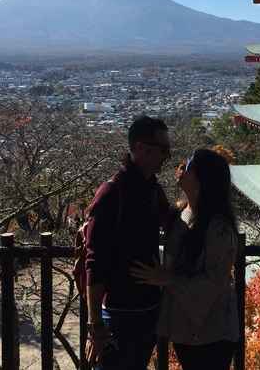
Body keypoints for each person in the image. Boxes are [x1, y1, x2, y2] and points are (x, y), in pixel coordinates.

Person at [131, 148, 240, 370]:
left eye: (188, 165)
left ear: (202, 179)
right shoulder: (183, 213)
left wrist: (168, 279)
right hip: (187, 328)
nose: (181, 167)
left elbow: (214, 283)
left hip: (212, 332)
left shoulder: (218, 227)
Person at [85, 115, 172, 369]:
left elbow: (175, 227)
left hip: (147, 309)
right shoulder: (112, 193)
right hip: (119, 312)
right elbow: (95, 262)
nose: (167, 156)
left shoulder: (152, 190)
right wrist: (96, 325)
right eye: (163, 149)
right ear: (140, 149)